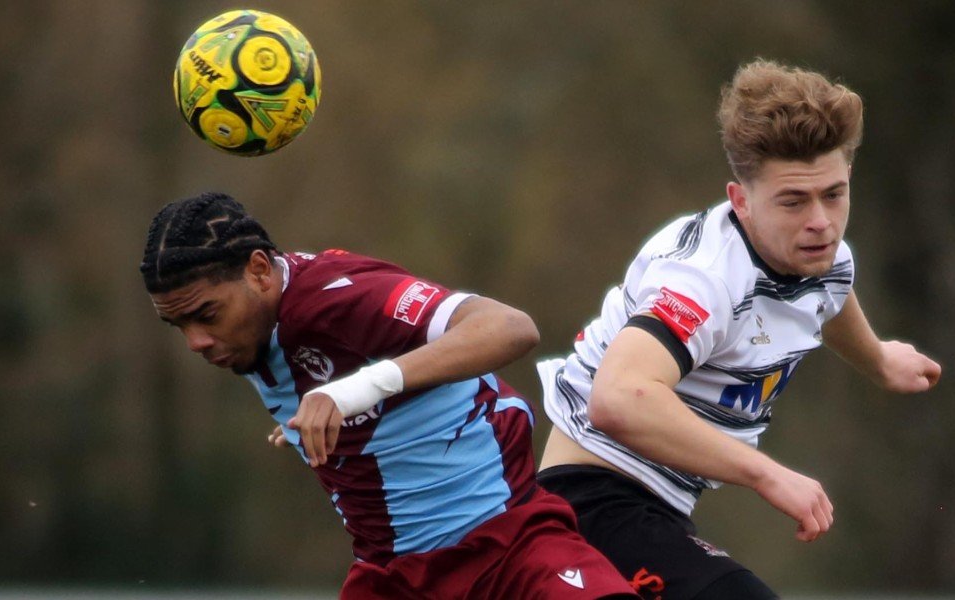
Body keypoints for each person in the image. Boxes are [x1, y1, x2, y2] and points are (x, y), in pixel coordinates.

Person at [535, 58, 943, 599]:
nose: (820, 221)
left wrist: (879, 359)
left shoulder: (822, 255)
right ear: (740, 201)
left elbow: (828, 294)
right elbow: (618, 397)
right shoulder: (704, 281)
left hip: (657, 507)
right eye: (793, 201)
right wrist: (767, 474)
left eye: (834, 194)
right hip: (587, 503)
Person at [140, 192, 636, 599]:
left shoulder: (335, 296)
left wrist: (353, 391)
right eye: (177, 325)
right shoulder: (250, 331)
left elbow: (509, 327)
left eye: (206, 315)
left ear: (259, 271)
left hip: (510, 551)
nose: (195, 342)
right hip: (393, 579)